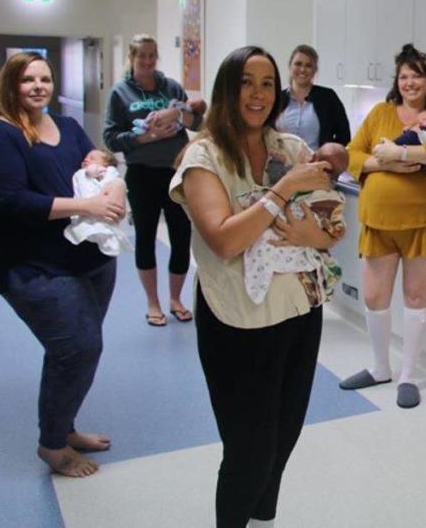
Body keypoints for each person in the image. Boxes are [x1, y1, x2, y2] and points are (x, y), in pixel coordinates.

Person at [170, 45, 339, 528]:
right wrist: (283, 191)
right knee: (249, 450)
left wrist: (315, 234)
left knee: (284, 437)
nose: (258, 93)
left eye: (267, 83)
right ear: (227, 88)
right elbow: (225, 241)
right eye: (247, 81)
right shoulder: (204, 158)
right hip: (237, 321)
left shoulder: (290, 148)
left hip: (300, 314)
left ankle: (262, 518)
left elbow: (331, 223)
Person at [0, 52, 125, 478]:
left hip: (88, 257)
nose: (38, 86)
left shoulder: (68, 126)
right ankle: (53, 445)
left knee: (77, 350)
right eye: (28, 80)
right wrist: (87, 203)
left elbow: (97, 161)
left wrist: (114, 188)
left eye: (44, 79)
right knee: (77, 348)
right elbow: (10, 200)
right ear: (9, 84)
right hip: (31, 265)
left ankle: (65, 426)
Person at [338, 43, 426, 409]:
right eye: (404, 76)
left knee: (415, 296)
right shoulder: (379, 114)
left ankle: (407, 375)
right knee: (375, 296)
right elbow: (351, 153)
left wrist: (402, 152)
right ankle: (379, 368)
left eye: (417, 75)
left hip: (425, 221)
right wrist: (386, 163)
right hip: (378, 221)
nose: (410, 82)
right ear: (397, 81)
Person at [104, 34, 206, 327]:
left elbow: (197, 123)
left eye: (152, 56)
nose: (147, 62)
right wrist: (146, 136)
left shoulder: (171, 87)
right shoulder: (120, 92)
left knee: (180, 236)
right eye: (141, 57)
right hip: (142, 174)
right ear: (132, 58)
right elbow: (111, 139)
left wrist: (179, 112)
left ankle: (175, 299)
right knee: (146, 238)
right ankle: (153, 303)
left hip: (176, 173)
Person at [241, 142, 349, 306]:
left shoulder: (324, 193)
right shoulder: (332, 193)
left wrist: (277, 162)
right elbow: (337, 229)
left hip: (291, 229)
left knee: (265, 242)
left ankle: (258, 283)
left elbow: (278, 180)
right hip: (289, 227)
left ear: (314, 158)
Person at [277, 44, 351, 149]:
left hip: (317, 163)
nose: (302, 69)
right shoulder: (277, 98)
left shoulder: (328, 98)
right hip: (282, 164)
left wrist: (327, 156)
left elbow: (344, 137)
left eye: (308, 65)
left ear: (314, 70)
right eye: (298, 64)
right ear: (290, 66)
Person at [64, 148, 132, 256]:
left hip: (101, 202)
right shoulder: (80, 174)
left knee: (101, 224)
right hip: (86, 206)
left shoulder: (107, 171)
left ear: (105, 164)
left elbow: (98, 173)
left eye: (92, 158)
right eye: (86, 158)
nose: (86, 159)